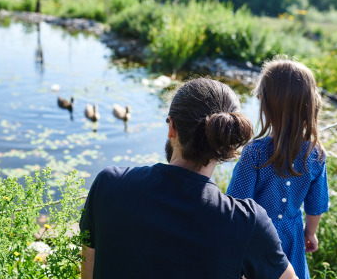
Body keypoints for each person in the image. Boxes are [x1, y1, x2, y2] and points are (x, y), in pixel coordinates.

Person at [80, 78, 297, 279]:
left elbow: (88, 271)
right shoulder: (247, 223)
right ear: (229, 139)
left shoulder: (108, 185)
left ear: (171, 128)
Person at [227, 58, 329, 279]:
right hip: (292, 237)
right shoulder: (316, 154)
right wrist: (310, 233)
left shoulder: (255, 152)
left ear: (266, 105)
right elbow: (315, 205)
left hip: (256, 240)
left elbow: (236, 206)